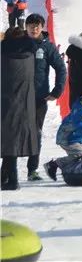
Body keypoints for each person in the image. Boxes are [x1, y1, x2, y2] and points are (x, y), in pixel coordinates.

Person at [25, 14, 66, 181]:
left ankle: (32, 170)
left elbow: (61, 69)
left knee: (35, 133)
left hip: (39, 98)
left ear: (42, 27)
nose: (34, 29)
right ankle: (7, 170)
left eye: (37, 25)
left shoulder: (47, 47)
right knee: (11, 133)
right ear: (26, 27)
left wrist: (57, 91)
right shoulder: (19, 44)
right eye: (31, 25)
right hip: (17, 98)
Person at [1, 28, 39, 191]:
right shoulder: (30, 55)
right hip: (26, 103)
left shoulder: (3, 55)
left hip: (6, 101)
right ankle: (4, 177)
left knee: (9, 140)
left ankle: (13, 180)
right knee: (13, 139)